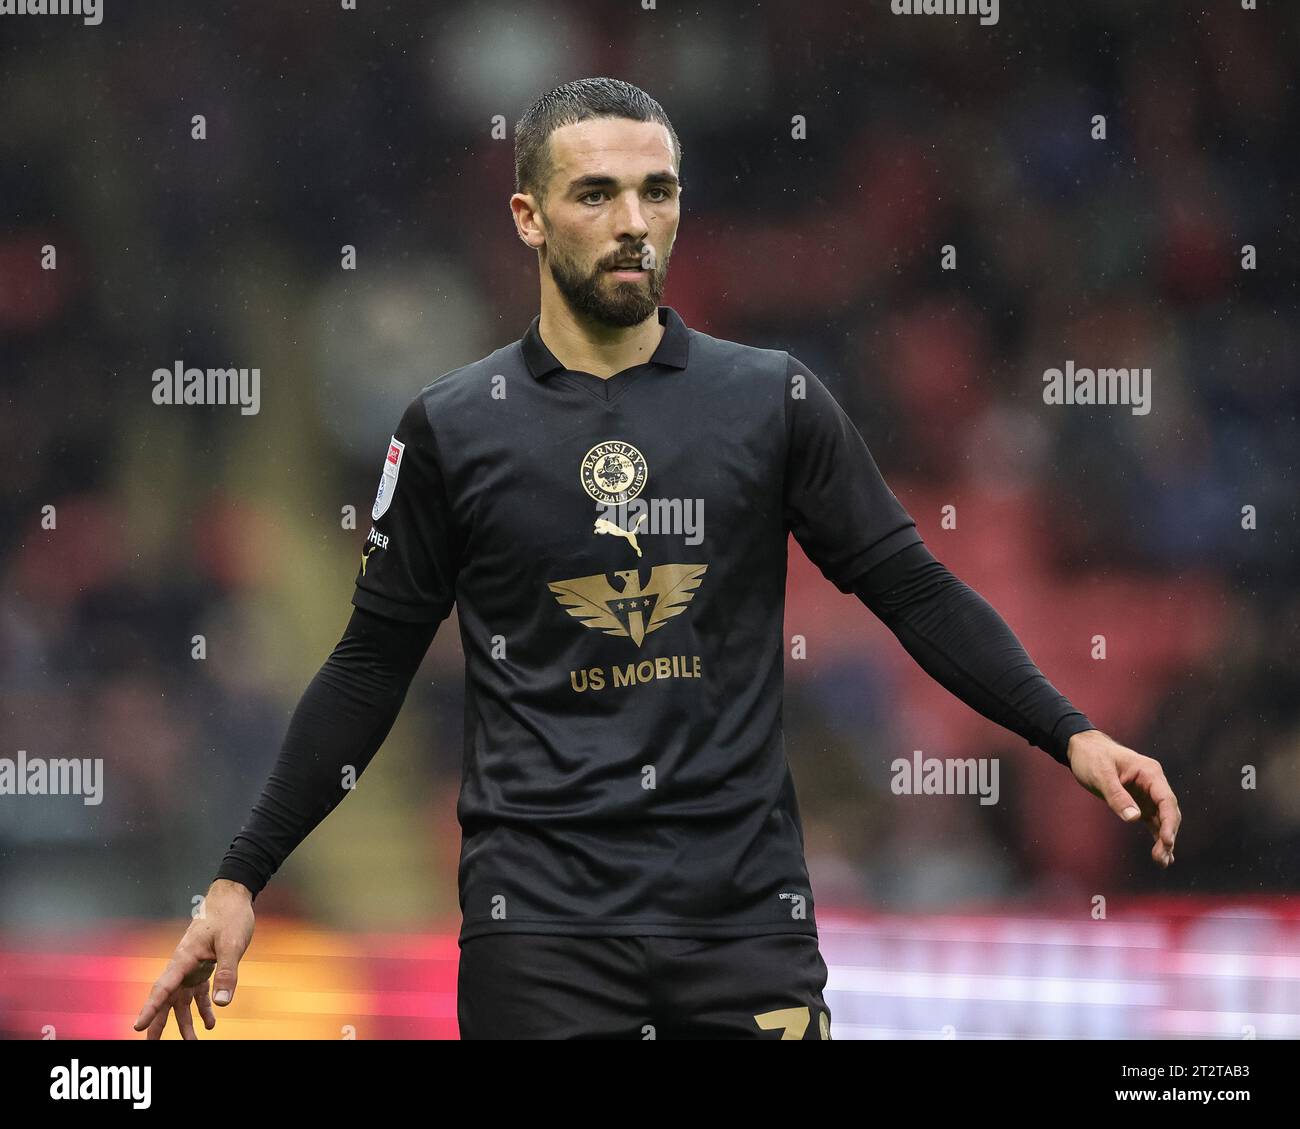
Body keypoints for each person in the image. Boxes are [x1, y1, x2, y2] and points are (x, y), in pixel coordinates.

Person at [134, 77, 1180, 1041]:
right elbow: (369, 666)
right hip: (539, 935)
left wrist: (1067, 730)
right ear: (527, 218)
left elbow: (909, 587)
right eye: (595, 193)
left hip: (742, 923)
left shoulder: (771, 399)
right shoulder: (454, 431)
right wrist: (240, 876)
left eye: (656, 191)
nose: (634, 222)